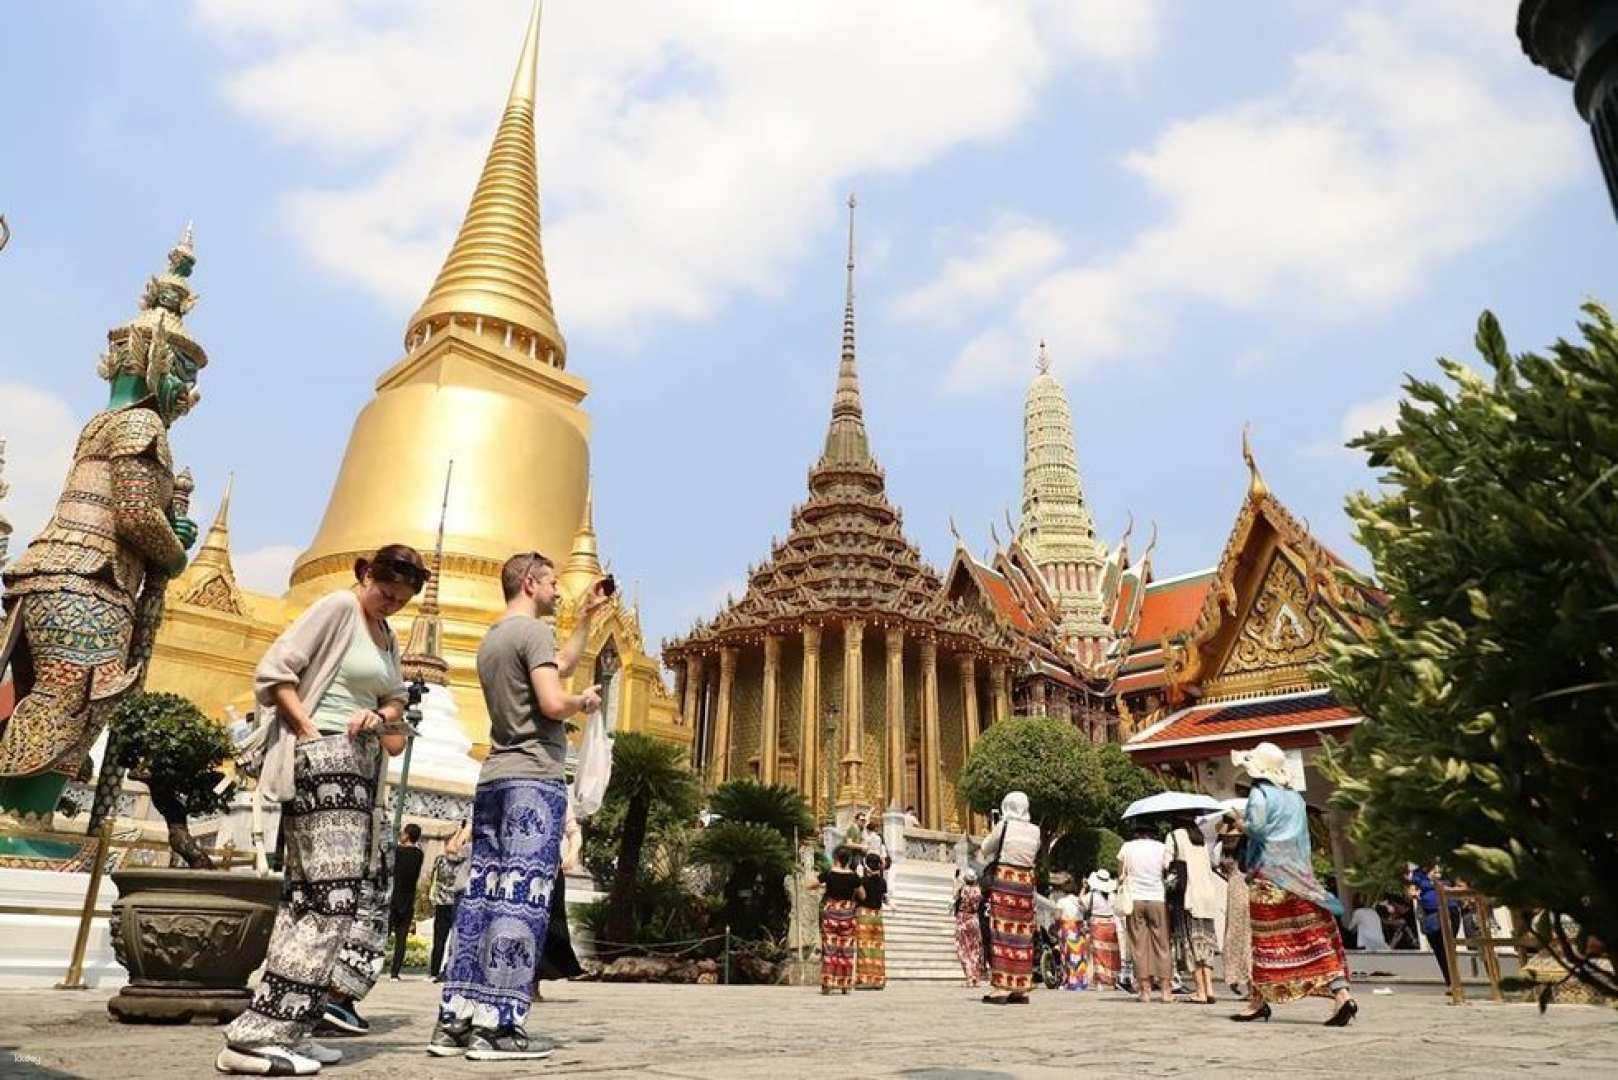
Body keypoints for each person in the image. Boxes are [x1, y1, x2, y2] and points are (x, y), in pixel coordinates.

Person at [219, 544, 427, 1076]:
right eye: (385, 593)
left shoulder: (388, 635)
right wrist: (312, 732)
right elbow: (275, 672)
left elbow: (398, 701)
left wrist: (381, 713)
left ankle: (294, 1025)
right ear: (365, 575)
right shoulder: (337, 609)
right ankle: (254, 1038)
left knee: (327, 900)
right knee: (326, 901)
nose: (391, 605)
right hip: (321, 760)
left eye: (401, 600)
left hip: (360, 771)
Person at [427, 553, 608, 1061]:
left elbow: (558, 667)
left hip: (494, 778)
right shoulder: (532, 634)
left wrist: (587, 620)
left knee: (482, 895)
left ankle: (456, 1020)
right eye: (552, 583)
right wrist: (584, 704)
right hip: (533, 778)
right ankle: (500, 1027)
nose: (558, 590)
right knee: (521, 898)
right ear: (531, 583)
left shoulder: (494, 638)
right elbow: (553, 701)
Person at [1228, 742, 1357, 1026]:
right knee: (1313, 935)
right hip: (1300, 876)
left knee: (1266, 941)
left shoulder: (1260, 794)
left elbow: (1258, 828)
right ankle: (1341, 994)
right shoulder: (1296, 799)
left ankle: (1257, 1002)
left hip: (1269, 876)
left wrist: (1241, 825)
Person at [978, 791, 1041, 1005]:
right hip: (1025, 883)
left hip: (1005, 881)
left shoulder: (1004, 826)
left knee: (1002, 933)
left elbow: (986, 848)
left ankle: (1002, 987)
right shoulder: (1035, 830)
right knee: (1022, 936)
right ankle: (1020, 987)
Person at [1168, 824, 1225, 1004]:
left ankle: (1200, 990)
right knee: (1205, 943)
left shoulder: (1175, 835)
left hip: (1188, 896)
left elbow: (1166, 863)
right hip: (1207, 896)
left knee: (1190, 943)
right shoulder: (1200, 838)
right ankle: (1209, 988)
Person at [1119, 823, 1172, 1005]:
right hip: (1157, 897)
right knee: (1162, 944)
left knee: (1139, 946)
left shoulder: (1127, 847)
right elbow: (1166, 869)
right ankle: (1166, 990)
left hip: (1135, 898)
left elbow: (1121, 875)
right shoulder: (1162, 847)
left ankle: (1145, 990)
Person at [813, 846, 861, 994]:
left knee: (829, 948)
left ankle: (827, 983)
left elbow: (811, 884)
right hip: (847, 914)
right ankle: (845, 984)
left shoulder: (829, 874)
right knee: (846, 948)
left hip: (832, 913)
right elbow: (862, 895)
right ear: (848, 860)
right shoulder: (854, 877)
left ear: (836, 859)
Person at [428, 822, 470, 982]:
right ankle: (443, 970)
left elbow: (451, 849)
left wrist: (460, 830)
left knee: (441, 938)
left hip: (445, 901)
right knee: (452, 937)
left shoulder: (444, 859)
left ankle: (436, 970)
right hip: (453, 901)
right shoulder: (462, 859)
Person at [1216, 817, 1252, 996]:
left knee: (1234, 935)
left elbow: (1215, 863)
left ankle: (1235, 976)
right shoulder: (1250, 849)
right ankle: (1252, 983)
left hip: (1235, 894)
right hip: (1251, 892)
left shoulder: (1223, 851)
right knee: (1249, 938)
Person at [1408, 865, 1459, 985]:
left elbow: (1461, 886)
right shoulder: (1417, 874)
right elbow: (1411, 890)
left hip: (1449, 910)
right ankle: (1451, 982)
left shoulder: (1444, 869)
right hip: (1430, 914)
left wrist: (1439, 885)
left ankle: (1455, 982)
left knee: (1448, 946)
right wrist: (1413, 894)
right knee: (1438, 949)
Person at [389, 823, 426, 979]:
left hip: (393, 896)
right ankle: (394, 973)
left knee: (384, 933)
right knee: (401, 938)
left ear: (407, 835)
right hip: (408, 899)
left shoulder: (397, 852)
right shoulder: (419, 854)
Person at [1081, 870, 1121, 989]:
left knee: (1098, 953)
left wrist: (1083, 888)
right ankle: (1112, 979)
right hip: (1110, 924)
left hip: (1097, 925)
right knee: (1111, 953)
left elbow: (1081, 902)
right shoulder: (1113, 896)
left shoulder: (1092, 895)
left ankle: (1100, 981)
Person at [855, 852, 888, 990]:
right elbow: (883, 897)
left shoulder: (862, 881)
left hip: (864, 914)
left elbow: (859, 897)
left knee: (864, 948)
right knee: (877, 948)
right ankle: (878, 979)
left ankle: (865, 979)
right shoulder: (883, 882)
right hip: (877, 916)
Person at [953, 868, 985, 988]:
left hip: (963, 919)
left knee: (963, 949)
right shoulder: (978, 891)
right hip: (974, 919)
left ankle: (969, 978)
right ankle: (976, 978)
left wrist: (957, 880)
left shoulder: (962, 889)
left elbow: (955, 897)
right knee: (975, 949)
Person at [1057, 895, 1089, 990]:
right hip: (1078, 930)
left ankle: (1067, 981)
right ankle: (1080, 982)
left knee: (1066, 956)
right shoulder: (1079, 901)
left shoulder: (1061, 900)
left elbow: (1057, 916)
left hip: (1066, 929)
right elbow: (1085, 912)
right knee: (1079, 957)